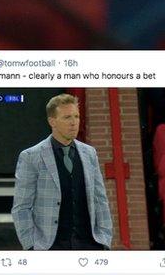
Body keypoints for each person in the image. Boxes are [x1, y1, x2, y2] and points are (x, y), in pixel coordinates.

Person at [11, 94, 112, 250]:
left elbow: (100, 200)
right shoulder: (31, 156)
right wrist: (31, 246)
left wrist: (105, 239)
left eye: (76, 117)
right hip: (50, 246)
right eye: (67, 118)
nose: (74, 123)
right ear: (52, 122)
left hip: (90, 245)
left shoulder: (89, 153)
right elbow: (21, 207)